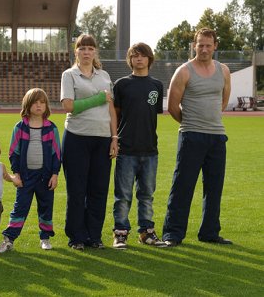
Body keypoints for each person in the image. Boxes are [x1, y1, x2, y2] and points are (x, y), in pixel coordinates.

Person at [162, 28, 232, 247]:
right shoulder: (184, 71)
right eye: (200, 44)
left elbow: (223, 100)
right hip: (191, 136)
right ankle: (173, 234)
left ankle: (210, 232)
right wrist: (191, 123)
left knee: (214, 187)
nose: (203, 49)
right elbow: (173, 107)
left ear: (215, 46)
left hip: (217, 137)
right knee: (183, 186)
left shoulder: (224, 70)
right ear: (194, 45)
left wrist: (210, 122)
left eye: (208, 45)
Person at [60, 34, 118, 251]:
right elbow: (68, 105)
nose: (86, 52)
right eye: (82, 48)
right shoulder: (69, 75)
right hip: (76, 137)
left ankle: (94, 236)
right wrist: (97, 99)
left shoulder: (104, 75)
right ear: (76, 51)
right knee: (77, 190)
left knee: (99, 190)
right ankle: (76, 237)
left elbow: (111, 108)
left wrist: (114, 138)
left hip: (103, 139)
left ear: (95, 52)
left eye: (90, 48)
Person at [111, 43, 165, 249]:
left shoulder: (156, 86)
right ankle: (121, 233)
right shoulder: (122, 84)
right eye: (134, 56)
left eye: (142, 55)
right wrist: (114, 138)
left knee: (146, 195)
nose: (139, 59)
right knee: (123, 195)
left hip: (150, 150)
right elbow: (115, 114)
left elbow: (154, 113)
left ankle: (147, 232)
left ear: (149, 59)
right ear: (130, 60)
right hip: (127, 148)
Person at [0, 88, 61, 253]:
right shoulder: (20, 127)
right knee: (20, 207)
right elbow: (13, 152)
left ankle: (45, 237)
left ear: (46, 106)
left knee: (46, 207)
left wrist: (55, 174)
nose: (39, 106)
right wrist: (16, 173)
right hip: (25, 177)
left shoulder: (51, 128)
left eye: (42, 102)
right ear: (27, 105)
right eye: (35, 102)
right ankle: (9, 238)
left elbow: (56, 154)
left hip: (45, 177)